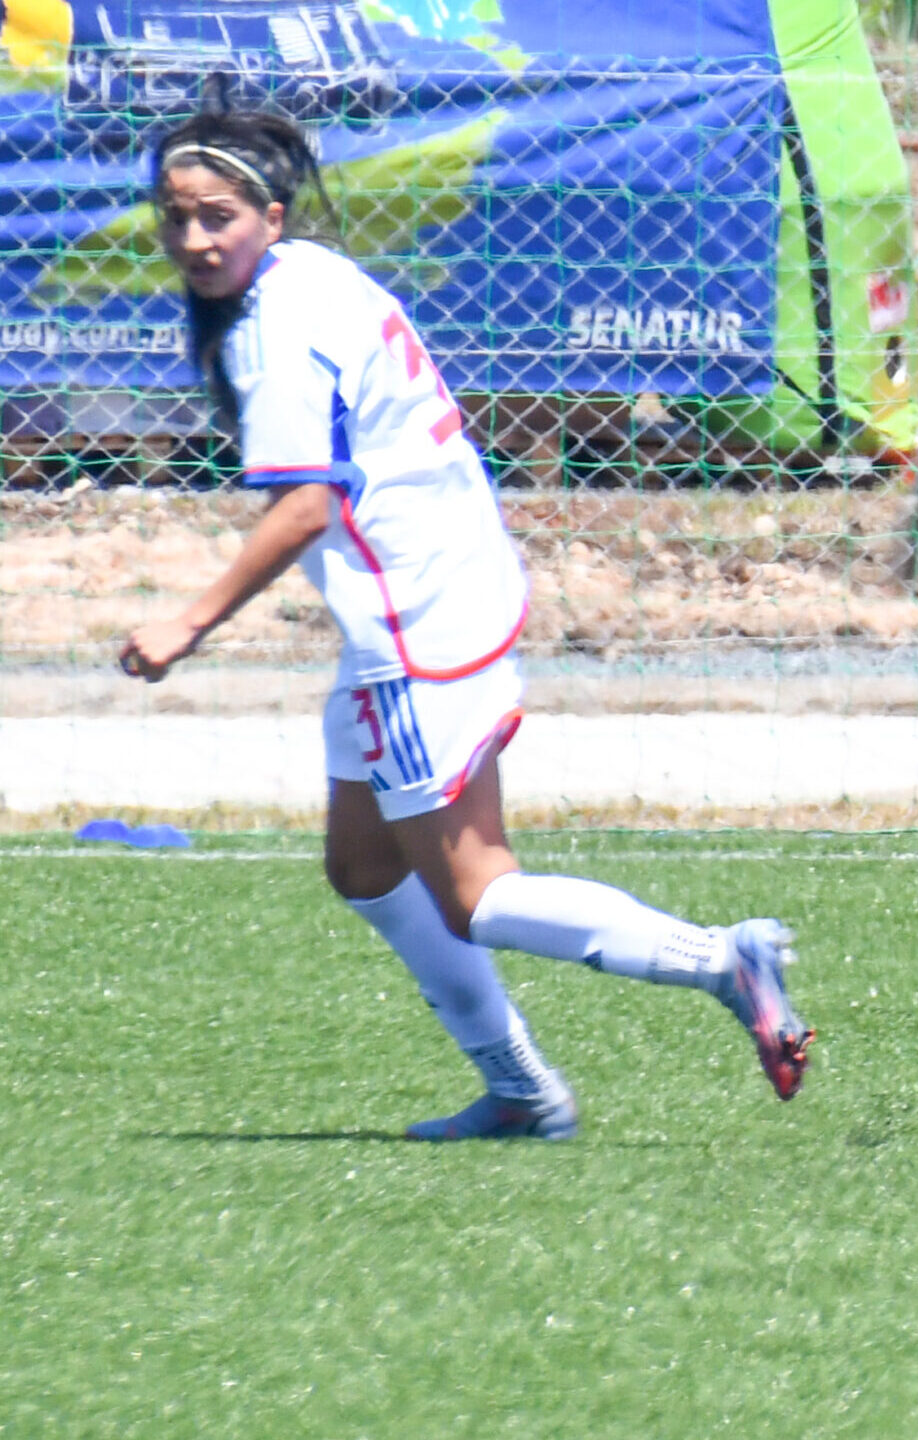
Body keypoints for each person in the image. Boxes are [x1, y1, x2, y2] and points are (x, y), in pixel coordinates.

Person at [119, 107, 812, 1140]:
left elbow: (305, 505)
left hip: (414, 623)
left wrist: (188, 622)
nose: (195, 241)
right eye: (175, 220)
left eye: (217, 217)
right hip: (442, 587)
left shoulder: (276, 331)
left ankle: (719, 959)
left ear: (268, 214)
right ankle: (525, 1092)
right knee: (363, 867)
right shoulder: (308, 271)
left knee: (476, 893)